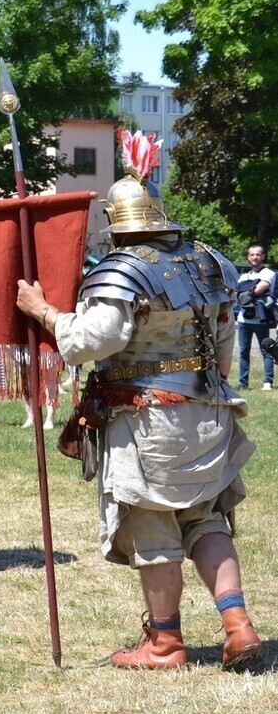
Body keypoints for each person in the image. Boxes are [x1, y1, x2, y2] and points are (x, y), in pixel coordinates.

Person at [15, 129, 261, 671]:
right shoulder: (207, 262)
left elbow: (88, 343)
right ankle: (237, 624)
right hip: (209, 412)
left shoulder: (123, 271)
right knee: (205, 519)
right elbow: (223, 352)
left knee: (152, 526)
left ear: (117, 225)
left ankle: (165, 643)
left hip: (149, 419)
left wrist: (44, 312)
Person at [234, 242, 275, 390]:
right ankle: (242, 383)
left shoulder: (268, 273)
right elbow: (237, 294)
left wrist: (245, 291)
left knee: (266, 350)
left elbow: (258, 290)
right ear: (248, 257)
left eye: (258, 254)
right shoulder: (244, 275)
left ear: (263, 256)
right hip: (243, 319)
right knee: (243, 352)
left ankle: (268, 381)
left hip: (261, 319)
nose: (255, 257)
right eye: (252, 254)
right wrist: (248, 290)